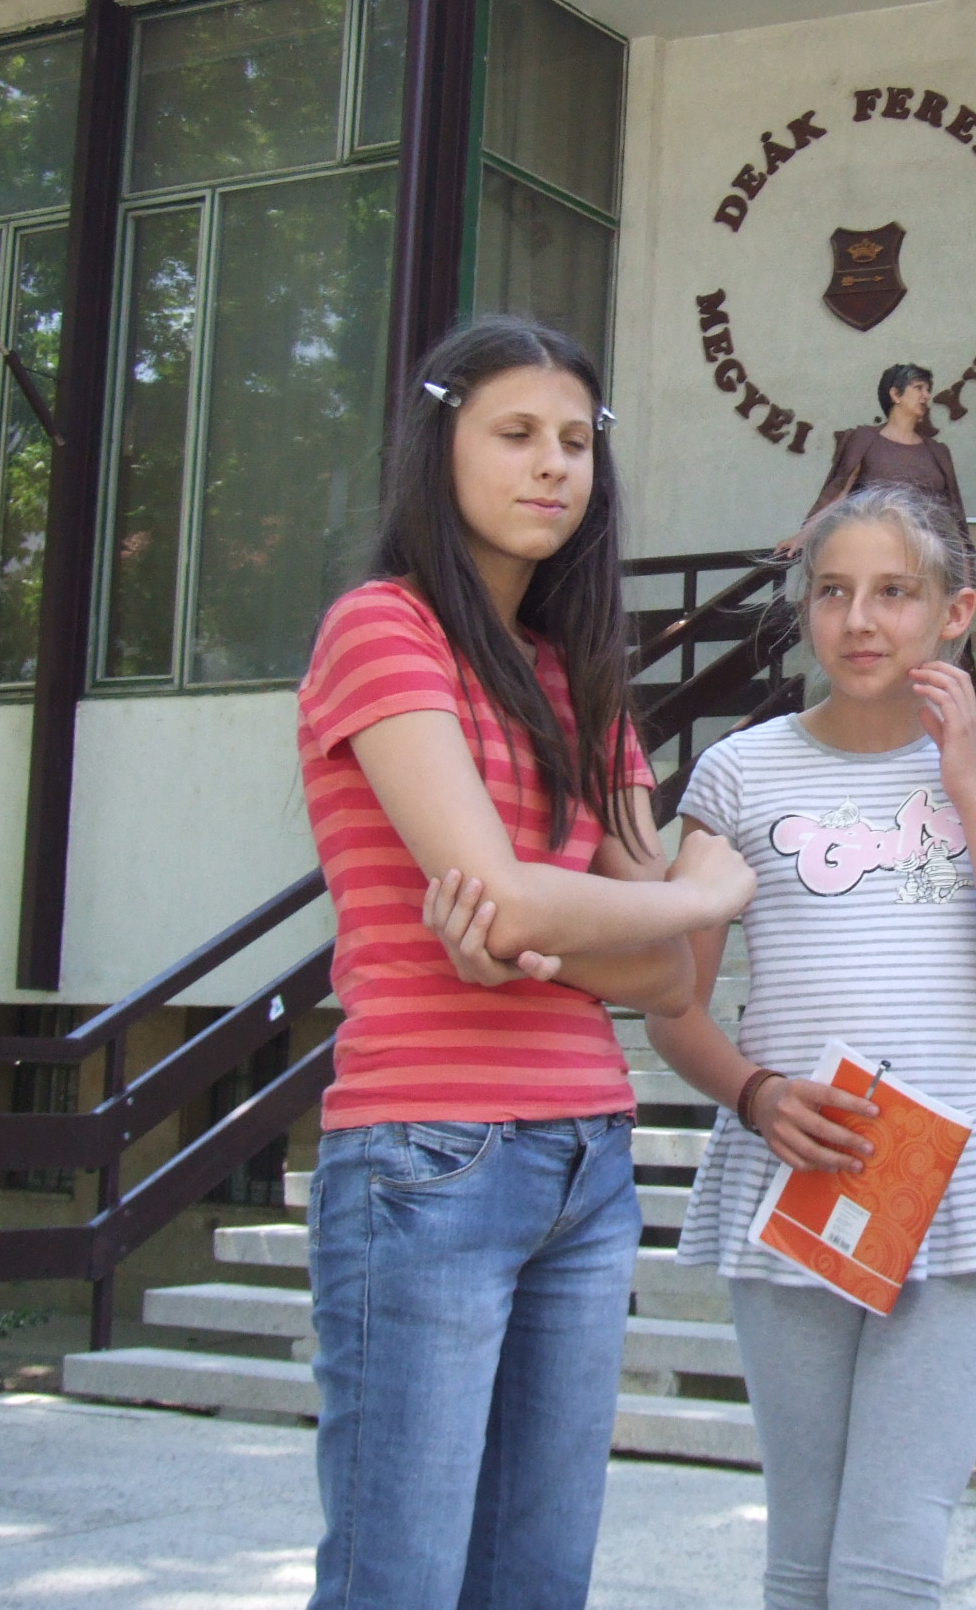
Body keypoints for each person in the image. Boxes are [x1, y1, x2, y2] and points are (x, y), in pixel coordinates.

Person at [295, 319, 756, 1610]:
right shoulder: (380, 630)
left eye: (574, 440)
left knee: (539, 1583)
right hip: (426, 1153)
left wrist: (554, 937)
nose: (554, 465)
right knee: (399, 1583)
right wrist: (694, 893)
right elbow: (513, 901)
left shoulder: (578, 677)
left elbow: (667, 981)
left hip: (587, 1161)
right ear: (438, 445)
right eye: (515, 434)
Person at [648, 485, 976, 1610]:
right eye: (834, 592)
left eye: (895, 592)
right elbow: (672, 1004)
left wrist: (967, 784)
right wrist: (755, 1095)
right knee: (804, 1561)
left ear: (954, 613)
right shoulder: (739, 775)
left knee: (891, 1564)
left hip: (956, 1193)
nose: (860, 620)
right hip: (797, 1179)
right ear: (804, 610)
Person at [793, 363, 969, 550]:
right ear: (895, 394)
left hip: (927, 552)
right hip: (874, 548)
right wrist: (801, 538)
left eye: (928, 390)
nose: (926, 396)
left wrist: (965, 565)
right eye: (918, 388)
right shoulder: (864, 439)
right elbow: (838, 494)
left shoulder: (937, 451)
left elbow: (953, 514)